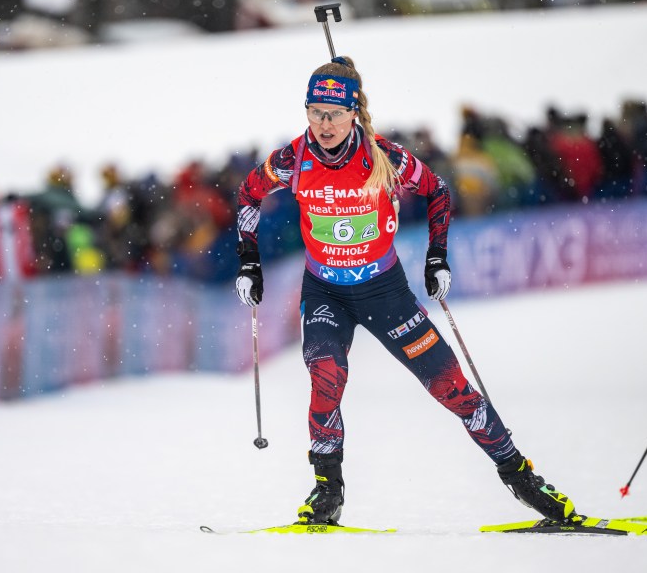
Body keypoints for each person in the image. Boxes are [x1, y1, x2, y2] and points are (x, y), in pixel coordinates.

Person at [233, 55, 576, 526]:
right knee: (326, 375)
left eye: (334, 113)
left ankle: (521, 477)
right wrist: (249, 263)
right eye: (315, 112)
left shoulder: (383, 157)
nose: (324, 123)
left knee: (451, 388)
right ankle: (327, 491)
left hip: (384, 292)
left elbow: (438, 191)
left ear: (354, 111)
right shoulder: (292, 159)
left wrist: (437, 257)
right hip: (325, 292)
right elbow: (248, 196)